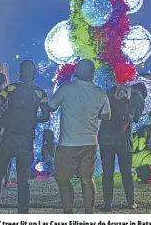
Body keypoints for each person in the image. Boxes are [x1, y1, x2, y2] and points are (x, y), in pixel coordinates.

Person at [46, 59, 111, 214]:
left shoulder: (65, 89)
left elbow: (50, 107)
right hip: (90, 142)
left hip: (68, 143)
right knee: (88, 179)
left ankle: (68, 212)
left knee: (63, 179)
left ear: (76, 72)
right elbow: (106, 116)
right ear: (93, 74)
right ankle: (89, 213)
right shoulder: (100, 92)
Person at [0, 60, 49, 214]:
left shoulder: (11, 88)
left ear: (20, 73)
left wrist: (7, 119)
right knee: (23, 177)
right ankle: (23, 209)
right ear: (35, 74)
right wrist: (33, 120)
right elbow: (46, 116)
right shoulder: (40, 92)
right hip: (26, 139)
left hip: (8, 136)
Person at [98, 82, 146, 212]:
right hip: (124, 140)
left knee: (107, 172)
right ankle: (131, 202)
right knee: (126, 172)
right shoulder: (137, 97)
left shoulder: (108, 92)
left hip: (105, 138)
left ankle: (107, 204)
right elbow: (135, 118)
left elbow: (99, 113)